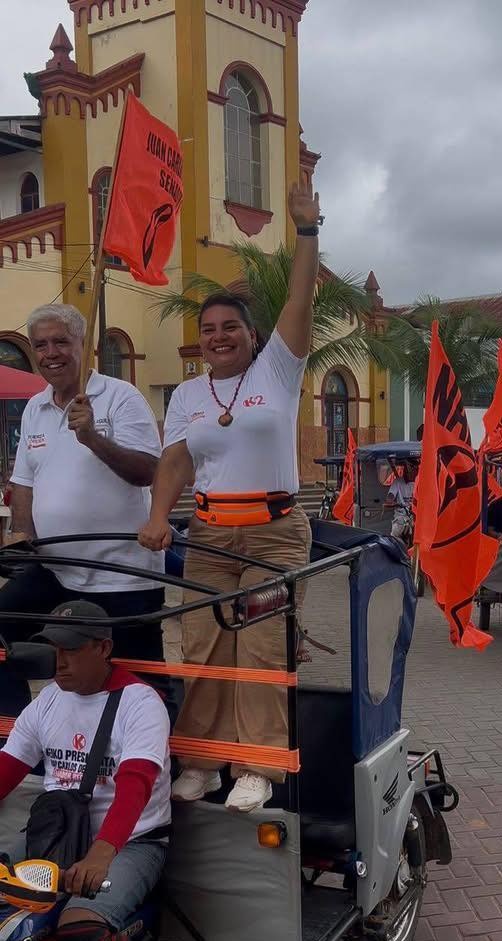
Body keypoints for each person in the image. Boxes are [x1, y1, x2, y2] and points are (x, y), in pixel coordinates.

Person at [138, 181, 319, 813]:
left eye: (230, 328)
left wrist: (306, 230)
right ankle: (202, 764)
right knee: (204, 645)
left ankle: (256, 768)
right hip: (210, 535)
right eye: (209, 329)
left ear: (251, 333)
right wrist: (159, 517)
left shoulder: (278, 370)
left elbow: (301, 297)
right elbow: (177, 459)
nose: (219, 337)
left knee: (263, 646)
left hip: (273, 532)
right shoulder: (188, 396)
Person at [0, 601, 175, 941]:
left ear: (104, 648)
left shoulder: (141, 704)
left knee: (81, 927)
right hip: (56, 834)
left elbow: (136, 784)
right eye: (55, 649)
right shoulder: (50, 700)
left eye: (73, 650)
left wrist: (103, 851)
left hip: (133, 842)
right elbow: (8, 768)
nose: (60, 661)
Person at [0, 303, 165, 717]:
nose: (50, 353)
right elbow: (23, 485)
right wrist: (22, 537)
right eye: (41, 345)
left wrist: (92, 437)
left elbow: (148, 471)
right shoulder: (36, 408)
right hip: (57, 568)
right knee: (4, 627)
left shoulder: (120, 397)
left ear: (83, 346)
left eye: (61, 341)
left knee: (135, 677)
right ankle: (16, 739)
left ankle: (154, 759)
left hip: (123, 574)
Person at [386, 460, 417, 541]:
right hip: (401, 515)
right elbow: (391, 494)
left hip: (415, 514)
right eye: (405, 470)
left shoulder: (419, 482)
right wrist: (390, 499)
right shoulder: (397, 481)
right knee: (394, 535)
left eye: (409, 470)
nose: (406, 473)